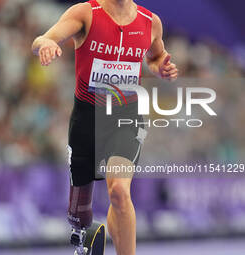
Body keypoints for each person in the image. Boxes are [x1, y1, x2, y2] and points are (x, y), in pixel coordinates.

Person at [32, 0, 178, 254]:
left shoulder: (150, 22)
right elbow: (43, 39)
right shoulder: (86, 13)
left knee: (120, 191)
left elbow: (155, 57)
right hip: (87, 117)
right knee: (79, 212)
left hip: (126, 118)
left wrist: (161, 67)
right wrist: (46, 43)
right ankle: (83, 237)